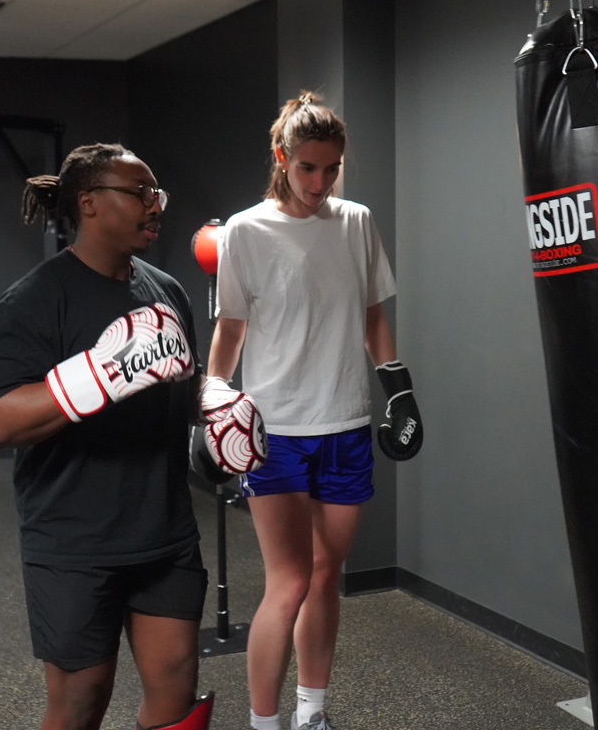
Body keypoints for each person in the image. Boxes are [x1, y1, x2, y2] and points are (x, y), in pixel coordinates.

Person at [0, 143, 216, 730]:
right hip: (74, 540)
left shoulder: (167, 291)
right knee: (83, 697)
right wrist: (98, 375)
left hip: (163, 529)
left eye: (157, 193)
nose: (155, 206)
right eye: (140, 193)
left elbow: (177, 385)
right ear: (89, 202)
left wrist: (220, 406)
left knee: (177, 686)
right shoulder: (33, 299)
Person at [207, 93, 423, 730]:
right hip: (275, 429)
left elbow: (372, 315)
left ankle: (312, 713)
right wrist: (212, 400)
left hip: (346, 422)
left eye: (331, 169)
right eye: (308, 168)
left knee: (327, 575)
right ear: (282, 157)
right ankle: (263, 723)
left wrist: (398, 389)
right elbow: (231, 328)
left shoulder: (355, 222)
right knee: (290, 581)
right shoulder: (245, 230)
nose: (320, 182)